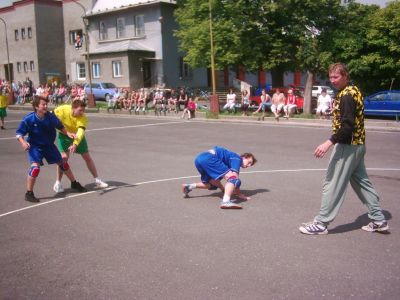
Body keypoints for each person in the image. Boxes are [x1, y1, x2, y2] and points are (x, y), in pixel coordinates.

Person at [299, 62, 389, 235]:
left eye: (336, 77)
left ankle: (321, 223)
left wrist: (329, 142)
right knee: (362, 183)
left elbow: (347, 127)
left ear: (345, 76)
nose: (333, 80)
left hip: (347, 145)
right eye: (331, 77)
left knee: (332, 183)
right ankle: (379, 220)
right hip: (359, 145)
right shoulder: (353, 90)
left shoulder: (346, 95)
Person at [15, 96, 79, 202]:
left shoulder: (50, 116)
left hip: (49, 146)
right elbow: (19, 133)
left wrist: (68, 133)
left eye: (46, 104)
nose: (45, 106)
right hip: (35, 146)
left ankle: (74, 183)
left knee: (64, 163)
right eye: (43, 104)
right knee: (35, 168)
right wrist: (23, 142)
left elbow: (60, 126)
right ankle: (29, 193)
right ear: (36, 106)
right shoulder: (29, 119)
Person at [53, 99, 108, 193]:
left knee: (87, 158)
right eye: (80, 110)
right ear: (73, 108)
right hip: (64, 135)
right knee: (63, 159)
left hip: (77, 137)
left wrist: (75, 144)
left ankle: (97, 180)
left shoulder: (83, 117)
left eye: (83, 110)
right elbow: (50, 116)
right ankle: (58, 183)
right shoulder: (62, 110)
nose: (82, 112)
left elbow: (80, 132)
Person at [181, 146, 257, 209]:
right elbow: (234, 178)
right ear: (243, 157)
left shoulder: (228, 161)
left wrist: (222, 189)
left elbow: (216, 182)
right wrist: (239, 194)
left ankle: (189, 186)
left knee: (212, 183)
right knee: (234, 179)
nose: (249, 165)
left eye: (251, 165)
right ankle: (225, 201)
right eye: (249, 162)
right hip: (209, 158)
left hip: (199, 159)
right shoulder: (237, 158)